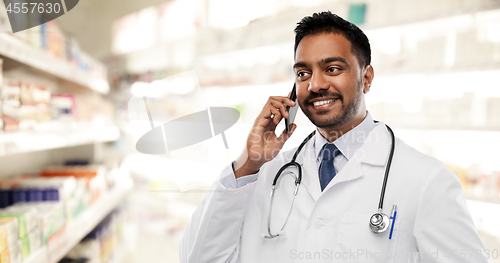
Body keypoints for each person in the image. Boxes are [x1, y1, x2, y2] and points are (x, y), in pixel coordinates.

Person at [180, 11, 488, 263]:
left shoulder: (426, 181)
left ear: (366, 78)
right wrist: (248, 166)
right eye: (303, 73)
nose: (315, 85)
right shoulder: (264, 174)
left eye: (332, 68)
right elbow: (199, 258)